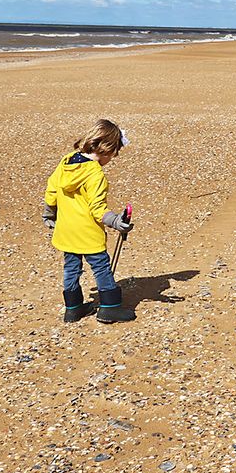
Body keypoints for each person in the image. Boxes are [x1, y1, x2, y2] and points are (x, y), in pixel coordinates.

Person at [43, 118, 135, 323]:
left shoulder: (67, 161)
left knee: (71, 268)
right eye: (113, 154)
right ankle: (109, 307)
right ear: (106, 149)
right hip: (87, 234)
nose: (112, 159)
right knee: (101, 267)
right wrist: (116, 221)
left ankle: (73, 308)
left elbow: (51, 189)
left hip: (66, 230)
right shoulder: (95, 174)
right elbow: (97, 209)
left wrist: (49, 213)